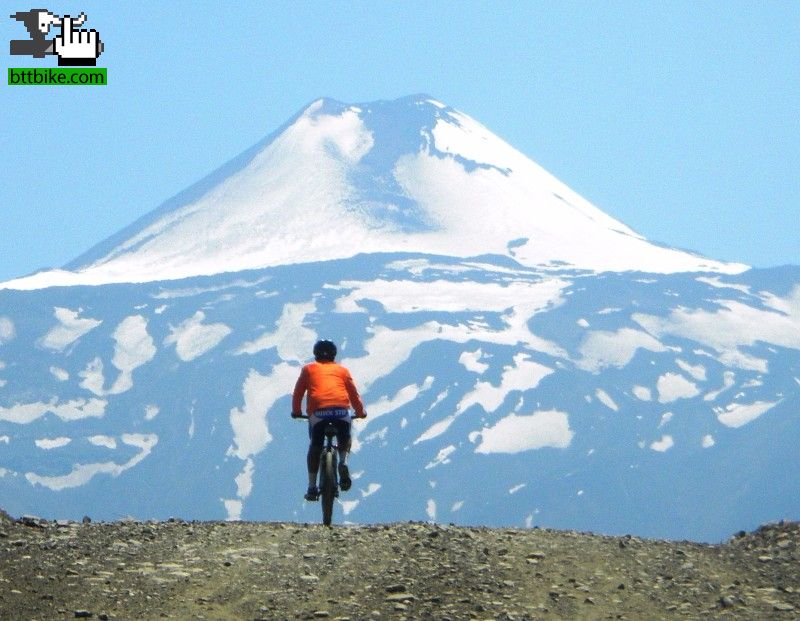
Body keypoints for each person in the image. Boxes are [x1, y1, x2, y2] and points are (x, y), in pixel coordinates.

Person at [292, 339, 366, 501]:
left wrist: (297, 412)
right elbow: (353, 395)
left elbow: (298, 394)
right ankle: (342, 461)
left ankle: (312, 487)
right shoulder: (342, 371)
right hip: (341, 412)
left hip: (318, 414)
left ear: (315, 354)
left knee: (315, 448)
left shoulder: (308, 369)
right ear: (334, 354)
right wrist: (360, 412)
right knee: (345, 438)